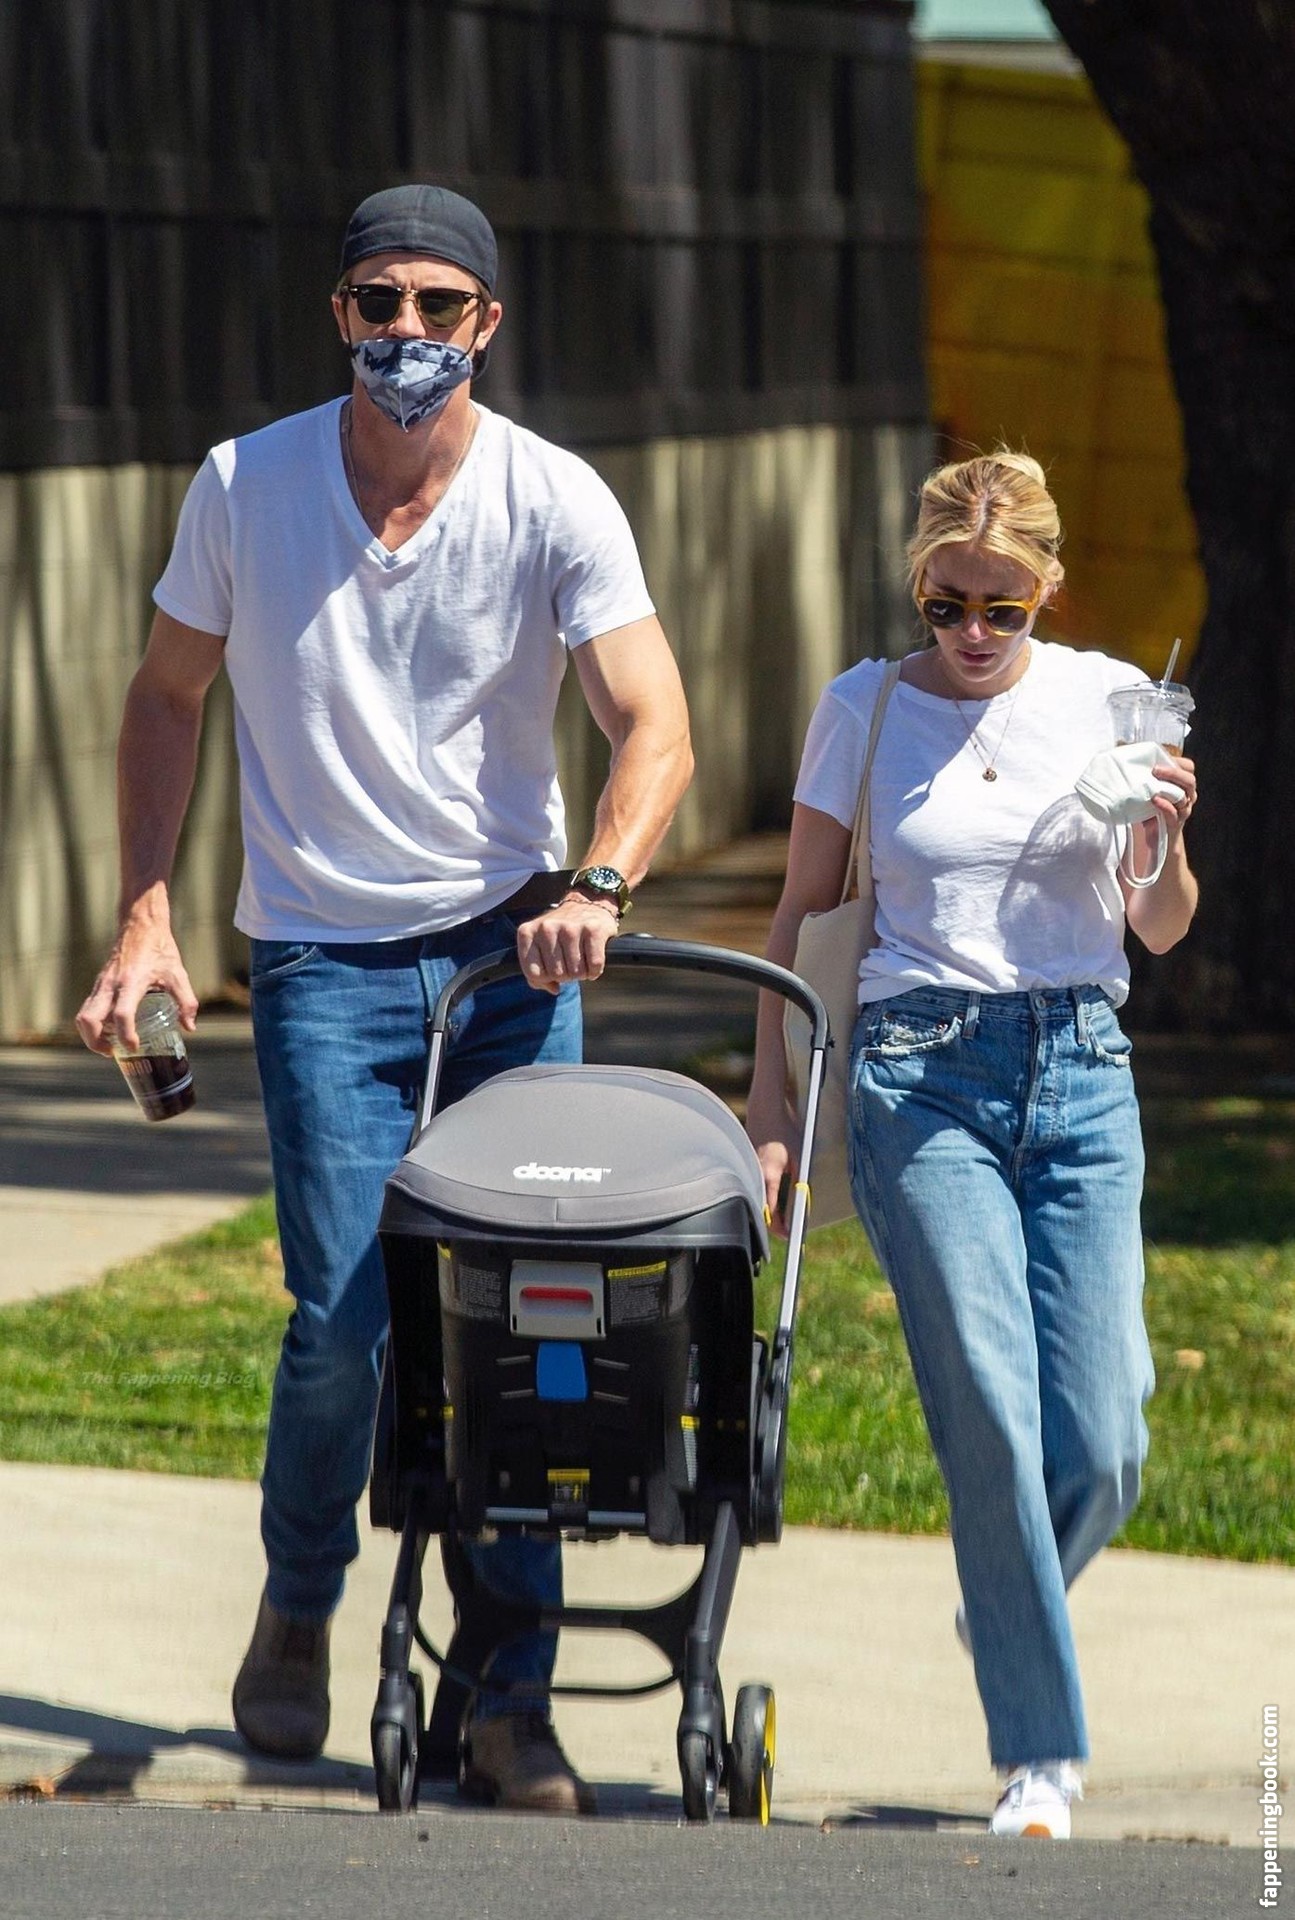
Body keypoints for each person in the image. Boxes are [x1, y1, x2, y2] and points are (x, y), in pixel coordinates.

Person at [77, 183, 693, 1816]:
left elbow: (653, 721)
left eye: (437, 305)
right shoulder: (246, 485)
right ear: (337, 314)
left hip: (511, 961)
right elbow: (166, 694)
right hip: (320, 961)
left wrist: (599, 886)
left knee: (523, 1320)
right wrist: (146, 915)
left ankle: (507, 1695)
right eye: (377, 303)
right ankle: (300, 1596)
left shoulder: (553, 497)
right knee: (346, 1322)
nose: (405, 332)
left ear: (486, 322)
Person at [745, 452, 1198, 1840]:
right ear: (919, 586)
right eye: (947, 604)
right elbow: (798, 913)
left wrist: (1163, 836)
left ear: (1050, 587)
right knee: (993, 1414)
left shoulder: (1110, 699)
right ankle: (1040, 1759)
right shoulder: (864, 709)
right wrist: (771, 1108)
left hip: (1084, 1074)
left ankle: (1010, 1590)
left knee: (1107, 1437)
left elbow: (1161, 926)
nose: (975, 632)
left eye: (1004, 606)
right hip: (917, 1076)